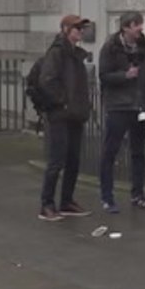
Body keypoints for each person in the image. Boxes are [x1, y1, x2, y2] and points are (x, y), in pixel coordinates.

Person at [97, 11, 145, 213]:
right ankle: (107, 198)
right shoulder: (111, 47)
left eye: (140, 24)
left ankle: (138, 194)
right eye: (136, 25)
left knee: (138, 151)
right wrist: (125, 76)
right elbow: (104, 75)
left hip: (141, 106)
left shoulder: (144, 46)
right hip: (119, 106)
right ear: (125, 27)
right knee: (110, 151)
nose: (140, 28)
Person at [37, 15, 95, 222]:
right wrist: (63, 102)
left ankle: (67, 201)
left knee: (73, 160)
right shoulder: (57, 52)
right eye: (77, 28)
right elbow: (47, 80)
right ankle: (47, 204)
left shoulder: (75, 54)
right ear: (66, 30)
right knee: (56, 160)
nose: (81, 32)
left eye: (82, 28)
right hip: (60, 114)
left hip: (75, 114)